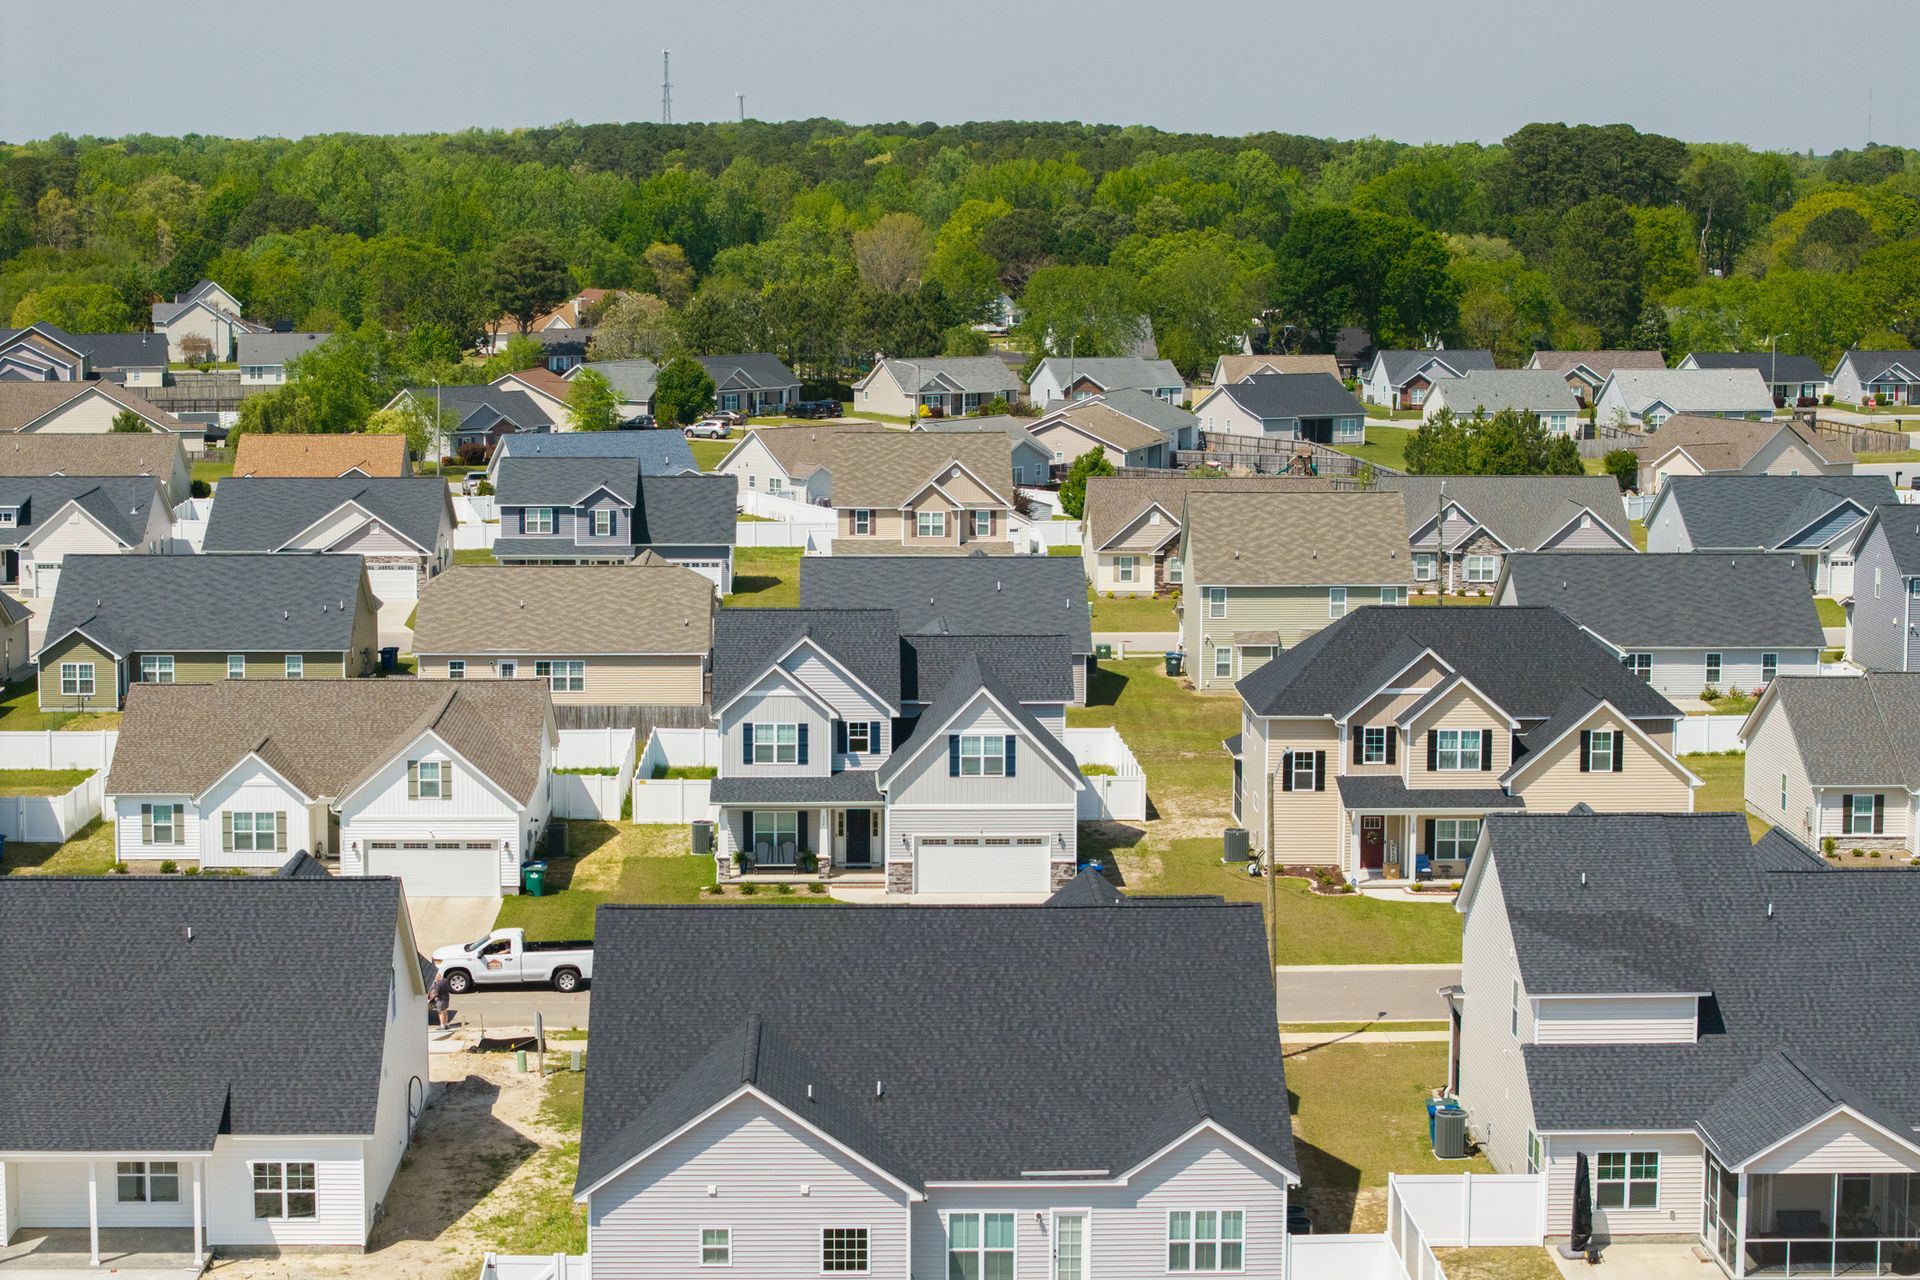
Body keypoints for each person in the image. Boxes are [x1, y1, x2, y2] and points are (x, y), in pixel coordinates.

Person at [428, 964, 453, 1032]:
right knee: (445, 1012)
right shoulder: (445, 981)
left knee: (441, 1013)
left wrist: (431, 999)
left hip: (441, 1001)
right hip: (446, 999)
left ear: (437, 978)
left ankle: (442, 1025)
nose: (435, 980)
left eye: (435, 978)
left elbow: (436, 993)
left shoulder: (438, 984)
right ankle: (446, 1024)